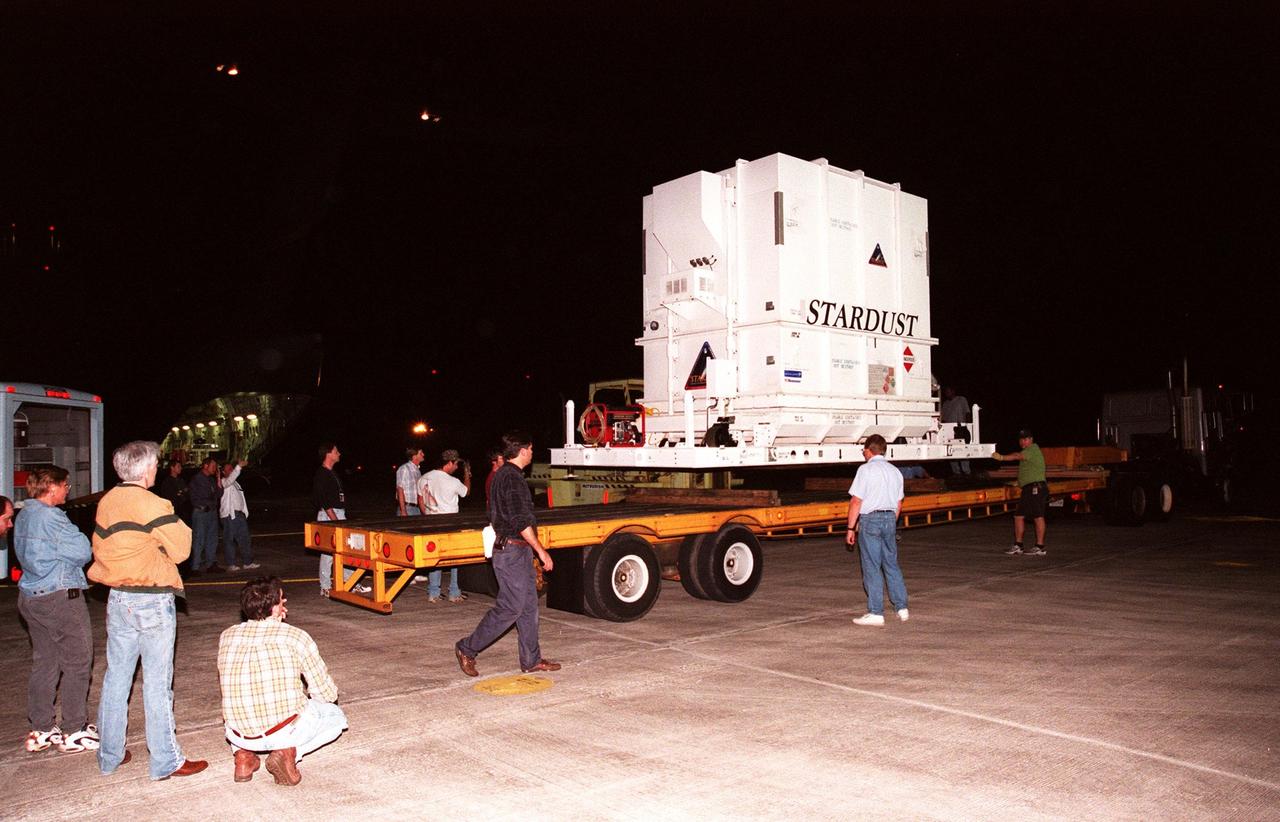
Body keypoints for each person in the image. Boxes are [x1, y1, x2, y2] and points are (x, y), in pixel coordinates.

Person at [90, 440, 207, 779]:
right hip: (151, 599)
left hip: (118, 598)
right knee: (157, 683)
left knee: (116, 679)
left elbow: (104, 545)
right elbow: (183, 548)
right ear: (144, 470)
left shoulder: (108, 501)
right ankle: (165, 760)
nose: (157, 468)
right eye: (155, 464)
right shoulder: (152, 502)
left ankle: (109, 755)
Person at [218, 576, 348, 786]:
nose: (284, 602)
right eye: (281, 600)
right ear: (275, 608)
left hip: (237, 733)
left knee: (243, 703)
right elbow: (324, 692)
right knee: (335, 717)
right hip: (281, 730)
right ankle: (288, 753)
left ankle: (243, 757)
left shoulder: (227, 635)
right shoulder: (295, 636)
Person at [455, 431, 559, 677]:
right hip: (512, 550)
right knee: (510, 608)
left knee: (529, 606)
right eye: (531, 449)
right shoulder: (512, 478)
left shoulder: (504, 475)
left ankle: (531, 659)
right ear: (523, 451)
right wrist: (541, 551)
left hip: (514, 550)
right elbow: (520, 520)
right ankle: (467, 648)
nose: (533, 454)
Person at [15, 467, 98, 753]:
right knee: (77, 661)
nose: (68, 489)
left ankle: (41, 727)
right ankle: (74, 729)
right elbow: (83, 550)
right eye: (65, 485)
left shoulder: (24, 513)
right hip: (59, 597)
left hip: (31, 596)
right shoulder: (51, 516)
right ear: (51, 488)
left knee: (45, 661)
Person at [846, 434, 909, 627]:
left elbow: (856, 501)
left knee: (872, 565)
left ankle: (876, 612)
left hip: (870, 520)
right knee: (891, 563)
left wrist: (850, 528)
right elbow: (899, 503)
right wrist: (890, 521)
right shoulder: (895, 471)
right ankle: (901, 607)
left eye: (863, 451)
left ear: (868, 450)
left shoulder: (865, 470)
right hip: (890, 518)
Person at [314, 443, 370, 598]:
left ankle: (351, 583)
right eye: (336, 451)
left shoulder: (332, 473)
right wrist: (335, 520)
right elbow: (323, 500)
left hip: (339, 513)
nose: (339, 454)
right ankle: (325, 586)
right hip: (329, 515)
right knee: (328, 553)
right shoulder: (322, 473)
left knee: (348, 550)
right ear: (328, 454)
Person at [418, 448, 471, 603]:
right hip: (450, 523)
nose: (456, 468)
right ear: (449, 462)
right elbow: (466, 492)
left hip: (432, 522)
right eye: (455, 464)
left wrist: (427, 515)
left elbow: (420, 500)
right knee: (454, 558)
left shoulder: (424, 478)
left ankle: (433, 592)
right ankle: (454, 591)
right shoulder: (452, 481)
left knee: (435, 557)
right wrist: (467, 474)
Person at [995, 428, 1048, 556]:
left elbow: (1017, 456)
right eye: (1021, 440)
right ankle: (1018, 545)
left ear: (1031, 440)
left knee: (1038, 516)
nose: (1023, 442)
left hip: (1036, 488)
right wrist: (1019, 482)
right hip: (1028, 488)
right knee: (1018, 516)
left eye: (1026, 439)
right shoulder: (1028, 452)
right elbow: (1028, 469)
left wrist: (1002, 457)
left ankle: (1040, 546)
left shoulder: (1033, 449)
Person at [188, 457, 224, 574]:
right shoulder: (198, 479)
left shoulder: (211, 479)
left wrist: (219, 478)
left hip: (211, 512)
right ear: (205, 466)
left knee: (212, 539)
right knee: (199, 539)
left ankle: (210, 564)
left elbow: (219, 493)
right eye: (213, 466)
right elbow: (207, 495)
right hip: (201, 512)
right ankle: (195, 567)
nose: (215, 469)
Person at [220, 459, 257, 571]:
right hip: (230, 515)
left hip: (239, 515)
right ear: (223, 472)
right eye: (229, 469)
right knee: (229, 540)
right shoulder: (223, 481)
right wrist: (238, 467)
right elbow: (229, 480)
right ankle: (231, 564)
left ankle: (248, 562)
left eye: (232, 468)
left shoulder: (235, 483)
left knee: (245, 539)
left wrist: (244, 512)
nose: (231, 470)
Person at [940, 385, 972, 476]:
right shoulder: (945, 404)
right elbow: (944, 419)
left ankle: (966, 471)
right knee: (951, 450)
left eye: (948, 391)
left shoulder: (961, 399)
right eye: (946, 392)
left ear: (953, 391)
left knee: (963, 449)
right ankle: (956, 472)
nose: (947, 393)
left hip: (961, 428)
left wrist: (968, 426)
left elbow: (967, 412)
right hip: (949, 430)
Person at [155, 459, 190, 524]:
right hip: (173, 511)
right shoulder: (167, 482)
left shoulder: (181, 480)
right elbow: (169, 496)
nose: (180, 468)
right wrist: (180, 492)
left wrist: (181, 492)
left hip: (183, 511)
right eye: (178, 466)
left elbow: (186, 492)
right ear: (172, 468)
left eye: (180, 466)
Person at [395, 447, 425, 517]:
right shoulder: (404, 468)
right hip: (408, 508)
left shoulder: (417, 470)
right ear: (414, 457)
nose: (423, 454)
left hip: (417, 509)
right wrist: (403, 511)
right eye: (421, 453)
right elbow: (400, 489)